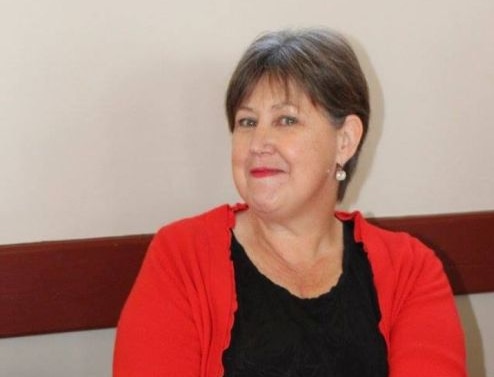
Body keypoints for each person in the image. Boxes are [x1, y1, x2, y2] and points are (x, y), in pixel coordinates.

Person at [113, 28, 466, 377]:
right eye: (247, 122)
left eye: (286, 120)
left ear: (345, 141)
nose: (258, 143)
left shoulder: (411, 270)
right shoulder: (181, 259)